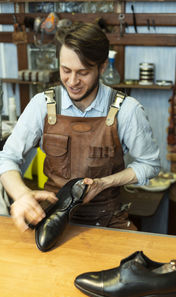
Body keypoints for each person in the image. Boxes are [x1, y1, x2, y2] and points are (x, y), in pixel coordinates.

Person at [0, 22, 160, 232]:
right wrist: (21, 194)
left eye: (83, 72)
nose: (72, 81)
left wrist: (104, 183)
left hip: (106, 220)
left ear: (102, 67)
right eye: (66, 70)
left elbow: (150, 164)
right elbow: (7, 157)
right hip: (53, 218)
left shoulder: (127, 110)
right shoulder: (42, 104)